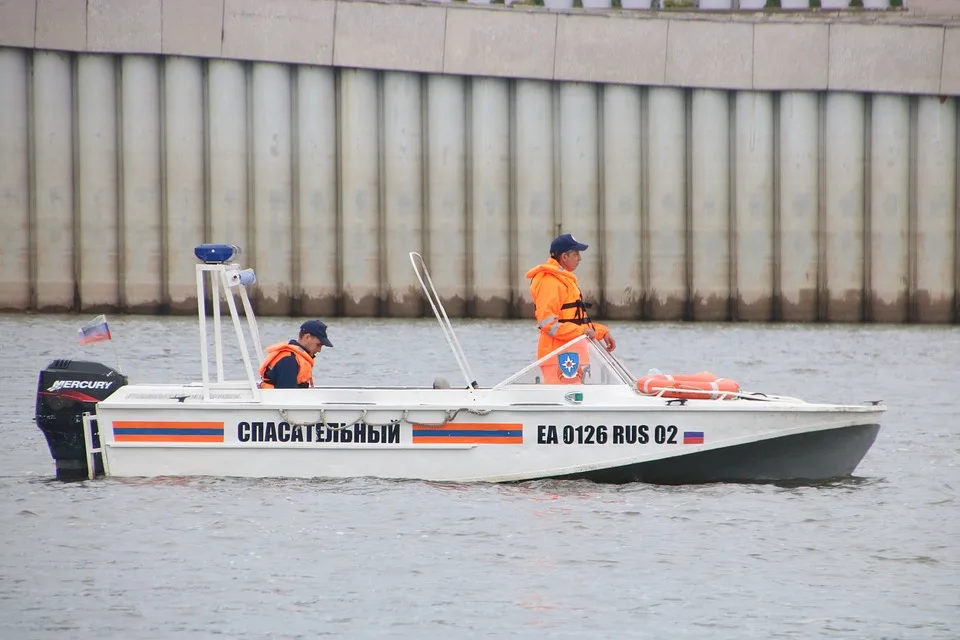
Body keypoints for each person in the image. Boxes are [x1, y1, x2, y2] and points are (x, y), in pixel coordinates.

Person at [525, 233, 616, 384]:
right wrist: (582, 332)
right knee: (564, 403)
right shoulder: (550, 282)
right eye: (576, 254)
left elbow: (575, 320)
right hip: (559, 358)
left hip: (569, 356)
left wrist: (601, 332)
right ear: (564, 257)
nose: (580, 258)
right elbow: (548, 324)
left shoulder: (563, 281)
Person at [258, 320, 333, 389]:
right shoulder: (289, 360)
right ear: (307, 337)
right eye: (318, 345)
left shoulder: (295, 357)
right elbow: (287, 396)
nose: (319, 350)